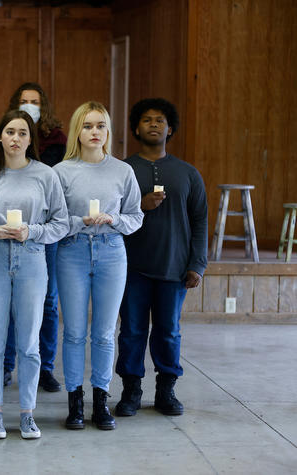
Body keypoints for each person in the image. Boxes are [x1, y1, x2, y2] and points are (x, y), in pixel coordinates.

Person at [0, 109, 69, 440]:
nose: (16, 138)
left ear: (31, 139)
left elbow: (61, 223)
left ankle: (27, 413)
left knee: (28, 343)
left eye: (23, 133)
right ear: (0, 136)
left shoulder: (45, 175)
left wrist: (32, 231)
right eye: (10, 131)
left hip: (31, 260)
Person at [52, 101, 143, 431]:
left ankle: (101, 400)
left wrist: (113, 219)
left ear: (108, 131)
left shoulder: (122, 171)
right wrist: (79, 221)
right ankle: (75, 402)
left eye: (101, 126)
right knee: (74, 332)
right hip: (72, 251)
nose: (95, 132)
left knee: (105, 333)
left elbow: (136, 217)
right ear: (78, 130)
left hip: (111, 251)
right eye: (88, 126)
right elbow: (55, 222)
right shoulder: (61, 172)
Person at [115, 98, 208, 417]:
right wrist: (140, 205)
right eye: (146, 119)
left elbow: (199, 220)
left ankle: (166, 390)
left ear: (171, 129)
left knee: (168, 330)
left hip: (174, 267)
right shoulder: (123, 170)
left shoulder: (188, 173)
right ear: (135, 128)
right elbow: (111, 215)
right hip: (131, 267)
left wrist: (198, 263)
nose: (154, 124)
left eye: (160, 120)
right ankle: (131, 391)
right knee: (131, 330)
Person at [0, 82, 67, 391]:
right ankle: (6, 365)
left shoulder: (57, 141)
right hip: (0, 242)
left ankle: (44, 367)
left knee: (47, 302)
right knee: (3, 306)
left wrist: (33, 231)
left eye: (35, 101)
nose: (30, 105)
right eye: (24, 101)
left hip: (37, 237)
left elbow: (54, 196)